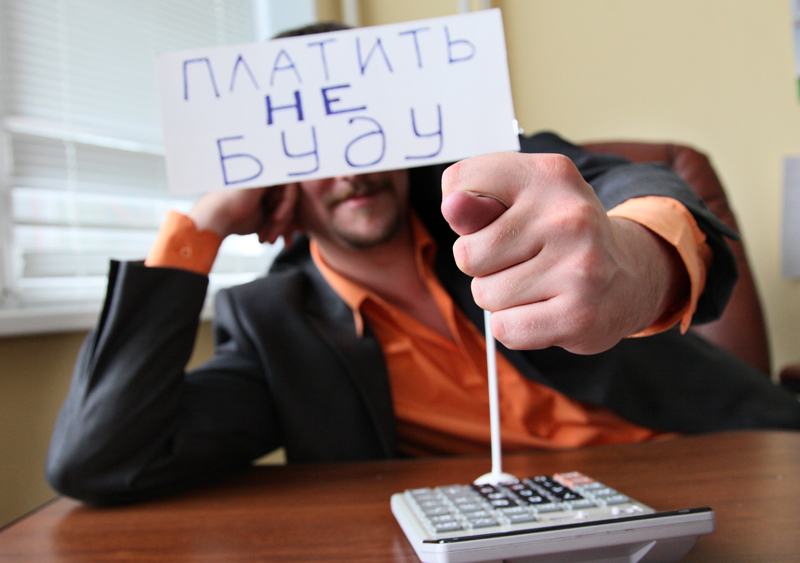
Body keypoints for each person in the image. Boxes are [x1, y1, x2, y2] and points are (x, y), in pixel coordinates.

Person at [45, 25, 800, 507]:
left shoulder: (489, 191)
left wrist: (636, 257)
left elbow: (632, 184)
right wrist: (202, 227)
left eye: (362, 127)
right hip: (504, 530)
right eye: (314, 148)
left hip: (715, 471)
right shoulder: (275, 329)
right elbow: (100, 458)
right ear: (272, 181)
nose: (350, 165)